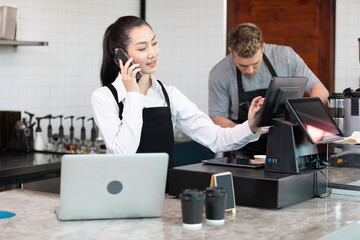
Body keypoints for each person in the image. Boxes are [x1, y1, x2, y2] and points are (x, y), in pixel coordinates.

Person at [91, 16, 265, 168]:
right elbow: (122, 154)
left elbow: (215, 138)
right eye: (142, 48)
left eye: (154, 43)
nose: (152, 53)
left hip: (164, 196)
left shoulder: (169, 95)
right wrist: (133, 95)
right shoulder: (104, 98)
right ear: (120, 55)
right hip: (122, 198)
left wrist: (251, 126)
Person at [208, 23, 329, 158]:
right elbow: (217, 119)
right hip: (245, 150)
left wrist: (305, 117)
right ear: (231, 51)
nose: (249, 70)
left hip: (288, 145)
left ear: (263, 47)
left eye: (255, 63)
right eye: (242, 66)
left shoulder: (285, 57)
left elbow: (320, 90)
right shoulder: (219, 73)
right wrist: (250, 130)